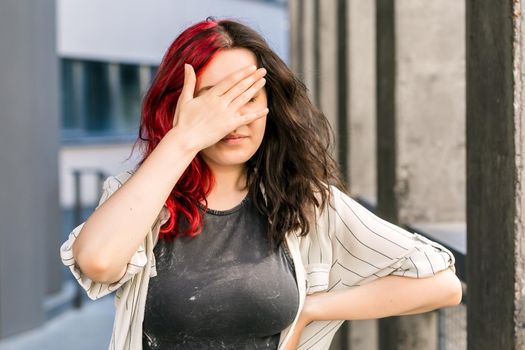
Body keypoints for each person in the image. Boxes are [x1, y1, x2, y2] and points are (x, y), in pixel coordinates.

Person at [60, 17, 461, 350]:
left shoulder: (304, 200)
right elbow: (97, 261)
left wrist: (312, 309)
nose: (233, 118)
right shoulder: (141, 196)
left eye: (247, 98)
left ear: (270, 105)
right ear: (177, 107)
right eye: (214, 100)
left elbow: (442, 285)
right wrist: (183, 140)